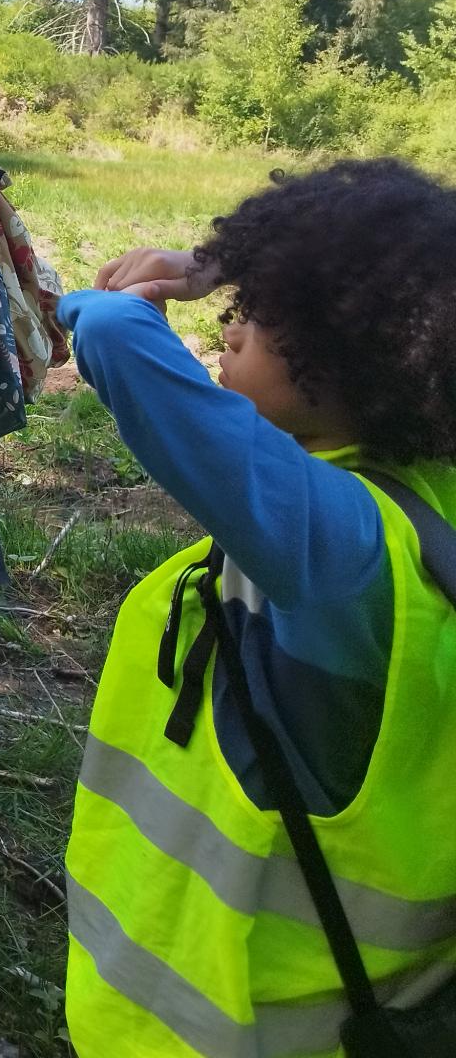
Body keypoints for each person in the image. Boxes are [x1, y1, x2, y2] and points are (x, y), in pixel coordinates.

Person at [60, 161, 456, 1057]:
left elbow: (115, 335)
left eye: (264, 313)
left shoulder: (341, 552)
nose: (229, 326)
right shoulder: (426, 502)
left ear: (354, 353)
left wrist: (196, 270)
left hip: (233, 1023)